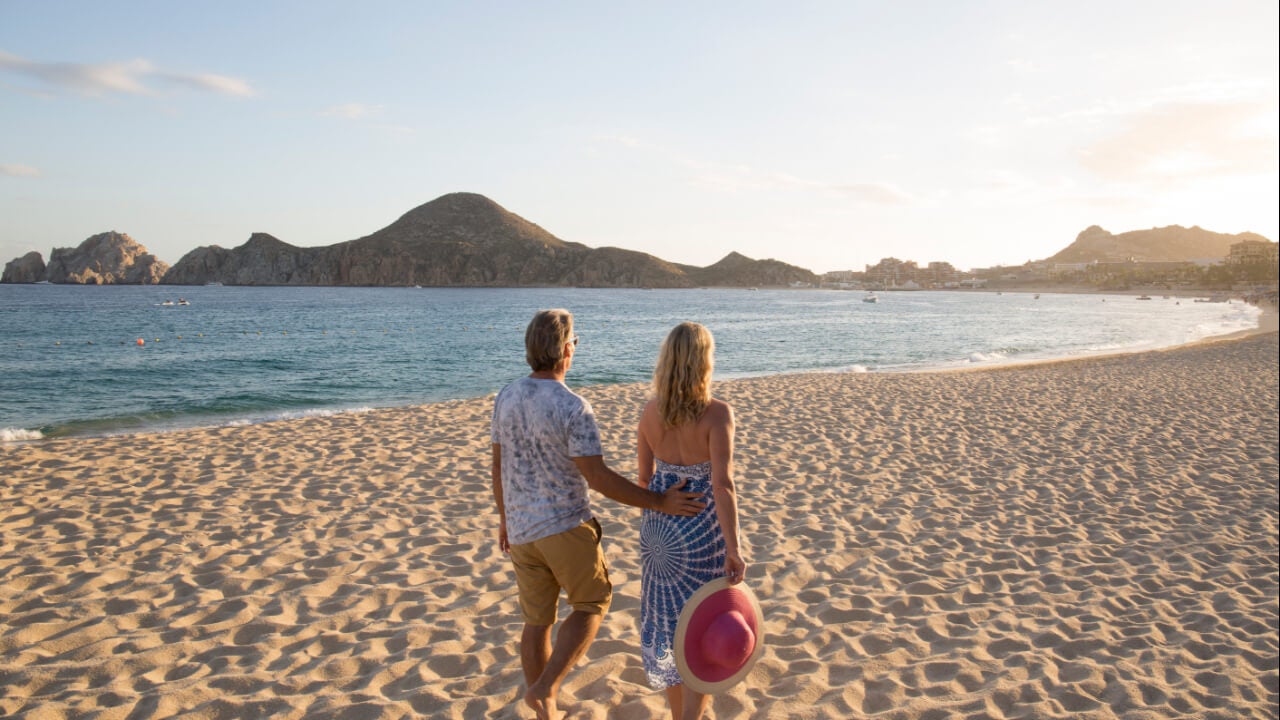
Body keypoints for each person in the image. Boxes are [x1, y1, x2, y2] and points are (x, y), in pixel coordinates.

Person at [491, 309, 706, 720]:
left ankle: (545, 709)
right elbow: (598, 477)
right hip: (565, 527)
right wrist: (659, 502)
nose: (575, 348)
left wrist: (504, 517)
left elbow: (499, 466)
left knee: (537, 621)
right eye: (575, 342)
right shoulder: (574, 407)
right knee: (592, 604)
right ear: (565, 348)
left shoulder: (506, 396)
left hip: (520, 528)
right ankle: (545, 687)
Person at [637, 322, 745, 720]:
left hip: (659, 534)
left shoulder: (649, 411)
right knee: (702, 629)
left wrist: (661, 506)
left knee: (668, 624)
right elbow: (723, 484)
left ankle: (679, 713)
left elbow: (644, 481)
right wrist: (734, 548)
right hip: (701, 530)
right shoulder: (717, 414)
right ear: (704, 362)